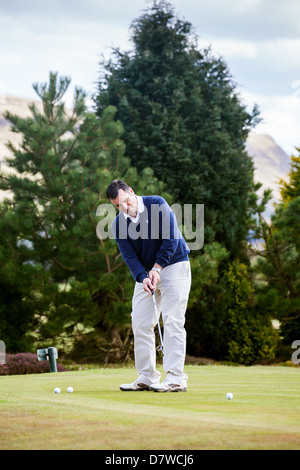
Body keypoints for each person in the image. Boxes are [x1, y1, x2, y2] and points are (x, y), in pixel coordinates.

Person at [106, 179, 191, 392]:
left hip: (174, 265)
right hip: (146, 274)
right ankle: (147, 375)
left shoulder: (157, 204)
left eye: (126, 201)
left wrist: (157, 268)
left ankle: (176, 378)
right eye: (118, 206)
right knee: (141, 322)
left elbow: (171, 238)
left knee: (172, 321)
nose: (124, 208)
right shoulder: (118, 224)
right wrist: (142, 276)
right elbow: (129, 256)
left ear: (132, 192)